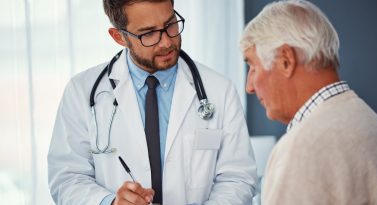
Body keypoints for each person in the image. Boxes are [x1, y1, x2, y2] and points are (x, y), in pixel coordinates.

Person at [48, 0, 258, 204]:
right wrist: (110, 202)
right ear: (119, 37)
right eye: (149, 33)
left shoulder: (219, 90)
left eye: (170, 25)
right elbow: (67, 178)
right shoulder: (82, 92)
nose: (167, 42)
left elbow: (238, 179)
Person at [240, 0, 377, 204]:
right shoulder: (375, 125)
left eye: (253, 66)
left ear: (286, 60)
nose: (249, 86)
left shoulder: (301, 149)